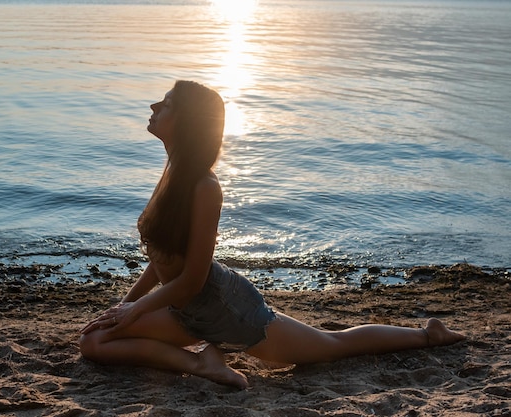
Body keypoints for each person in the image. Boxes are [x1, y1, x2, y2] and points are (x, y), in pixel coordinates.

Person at [79, 80, 465, 389]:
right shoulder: (172, 176)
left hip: (227, 309)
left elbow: (193, 279)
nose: (153, 108)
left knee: (331, 346)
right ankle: (202, 362)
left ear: (187, 121)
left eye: (164, 103)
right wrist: (121, 308)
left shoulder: (204, 187)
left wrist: (136, 310)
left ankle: (425, 333)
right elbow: (161, 257)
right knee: (94, 341)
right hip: (183, 309)